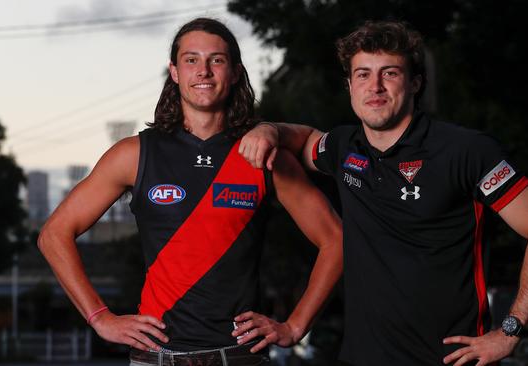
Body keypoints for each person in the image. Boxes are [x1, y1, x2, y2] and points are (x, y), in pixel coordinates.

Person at [237, 20, 528, 365]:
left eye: (390, 73)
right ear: (350, 86)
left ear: (415, 83)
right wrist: (268, 129)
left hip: (448, 360)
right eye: (363, 75)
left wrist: (510, 332)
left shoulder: (465, 151)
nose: (375, 86)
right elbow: (305, 139)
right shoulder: (344, 148)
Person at [38, 18, 343, 366]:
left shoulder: (262, 153)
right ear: (174, 71)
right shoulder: (134, 154)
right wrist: (100, 317)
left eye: (217, 60)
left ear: (235, 72)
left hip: (241, 356)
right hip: (156, 358)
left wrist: (294, 326)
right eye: (191, 60)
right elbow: (53, 234)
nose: (204, 71)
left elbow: (336, 239)